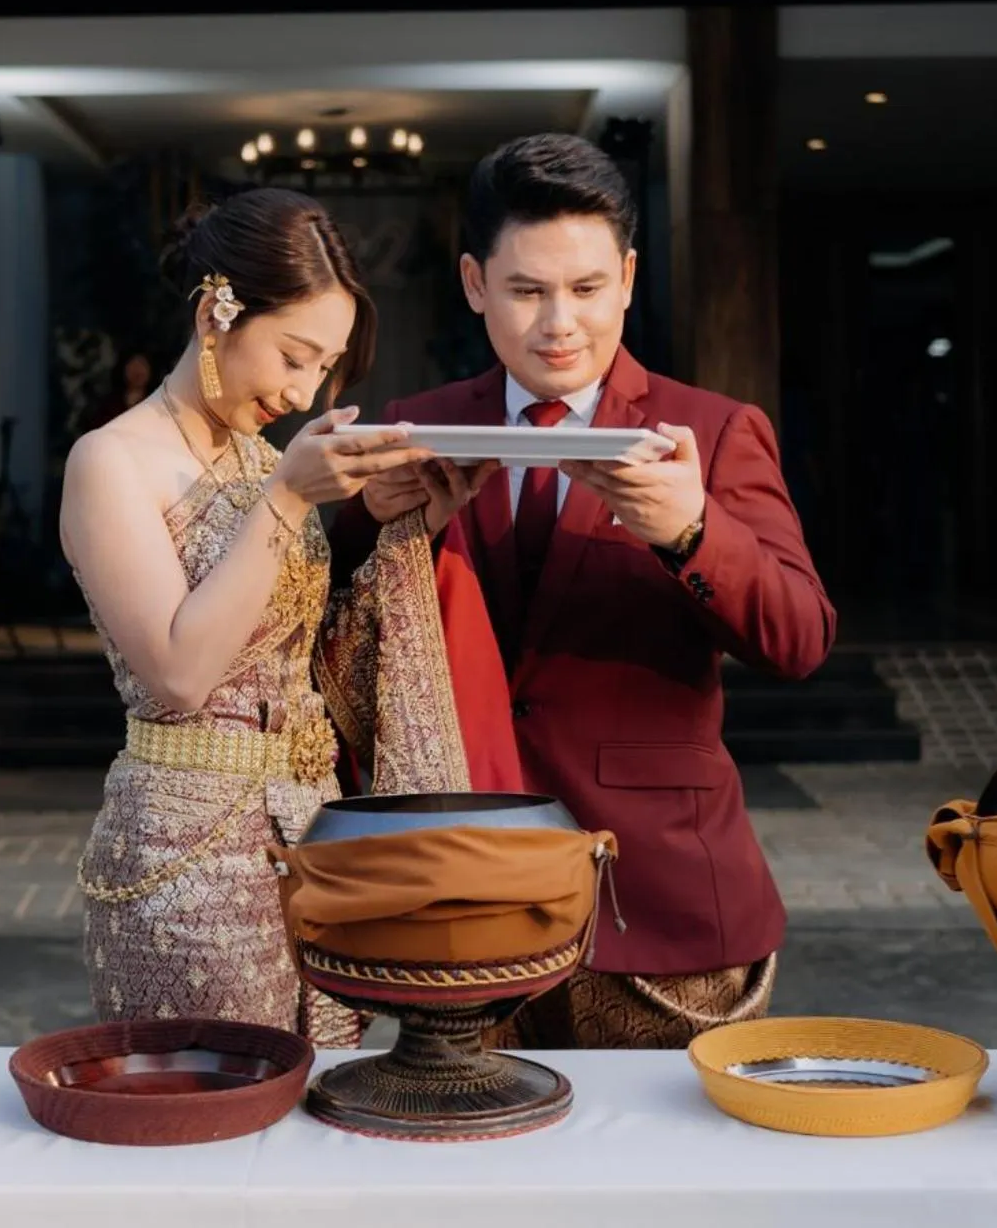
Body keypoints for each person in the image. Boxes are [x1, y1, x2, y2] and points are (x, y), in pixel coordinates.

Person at [333, 133, 837, 1049]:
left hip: (662, 896)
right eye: (526, 291)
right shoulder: (419, 426)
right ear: (475, 283)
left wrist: (691, 529)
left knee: (664, 1182)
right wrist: (372, 520)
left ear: (631, 277)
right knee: (477, 1170)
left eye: (587, 288)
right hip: (465, 886)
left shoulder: (714, 431)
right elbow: (325, 632)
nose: (559, 322)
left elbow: (801, 637)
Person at [59, 187, 520, 1046]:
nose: (305, 389)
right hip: (184, 857)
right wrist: (285, 497)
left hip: (310, 835)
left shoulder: (265, 462)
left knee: (317, 1123)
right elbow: (179, 671)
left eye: (325, 367)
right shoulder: (110, 461)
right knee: (210, 1121)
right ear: (216, 310)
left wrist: (405, 525)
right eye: (294, 355)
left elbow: (301, 661)